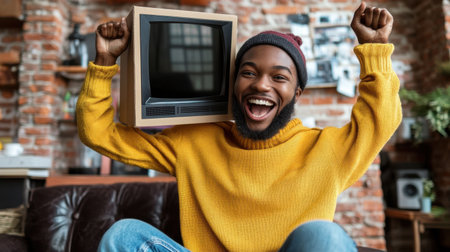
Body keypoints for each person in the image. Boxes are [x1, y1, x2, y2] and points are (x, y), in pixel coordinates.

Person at [77, 2, 401, 251]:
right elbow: (99, 132)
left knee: (323, 234)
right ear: (234, 84)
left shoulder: (327, 149)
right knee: (124, 234)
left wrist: (374, 50)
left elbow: (381, 118)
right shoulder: (194, 142)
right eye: (248, 72)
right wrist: (105, 63)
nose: (261, 85)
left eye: (279, 77)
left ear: (296, 93)